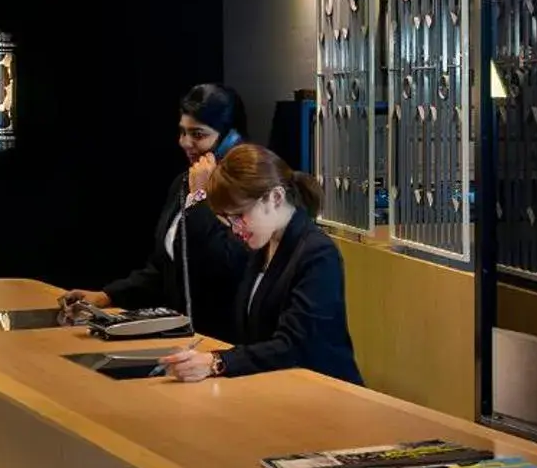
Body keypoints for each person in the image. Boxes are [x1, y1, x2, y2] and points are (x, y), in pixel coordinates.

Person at [159, 144, 362, 385]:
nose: (235, 228)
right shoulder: (261, 247)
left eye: (240, 216)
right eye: (229, 219)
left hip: (327, 392)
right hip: (278, 388)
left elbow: (293, 346)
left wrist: (218, 362)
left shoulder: (318, 254)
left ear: (275, 197)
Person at [60, 84, 251, 329]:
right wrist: (108, 295)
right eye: (182, 132)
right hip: (180, 335)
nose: (185, 143)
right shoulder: (183, 184)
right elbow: (164, 269)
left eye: (198, 135)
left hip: (225, 339)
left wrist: (201, 198)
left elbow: (228, 265)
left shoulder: (248, 194)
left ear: (231, 139)